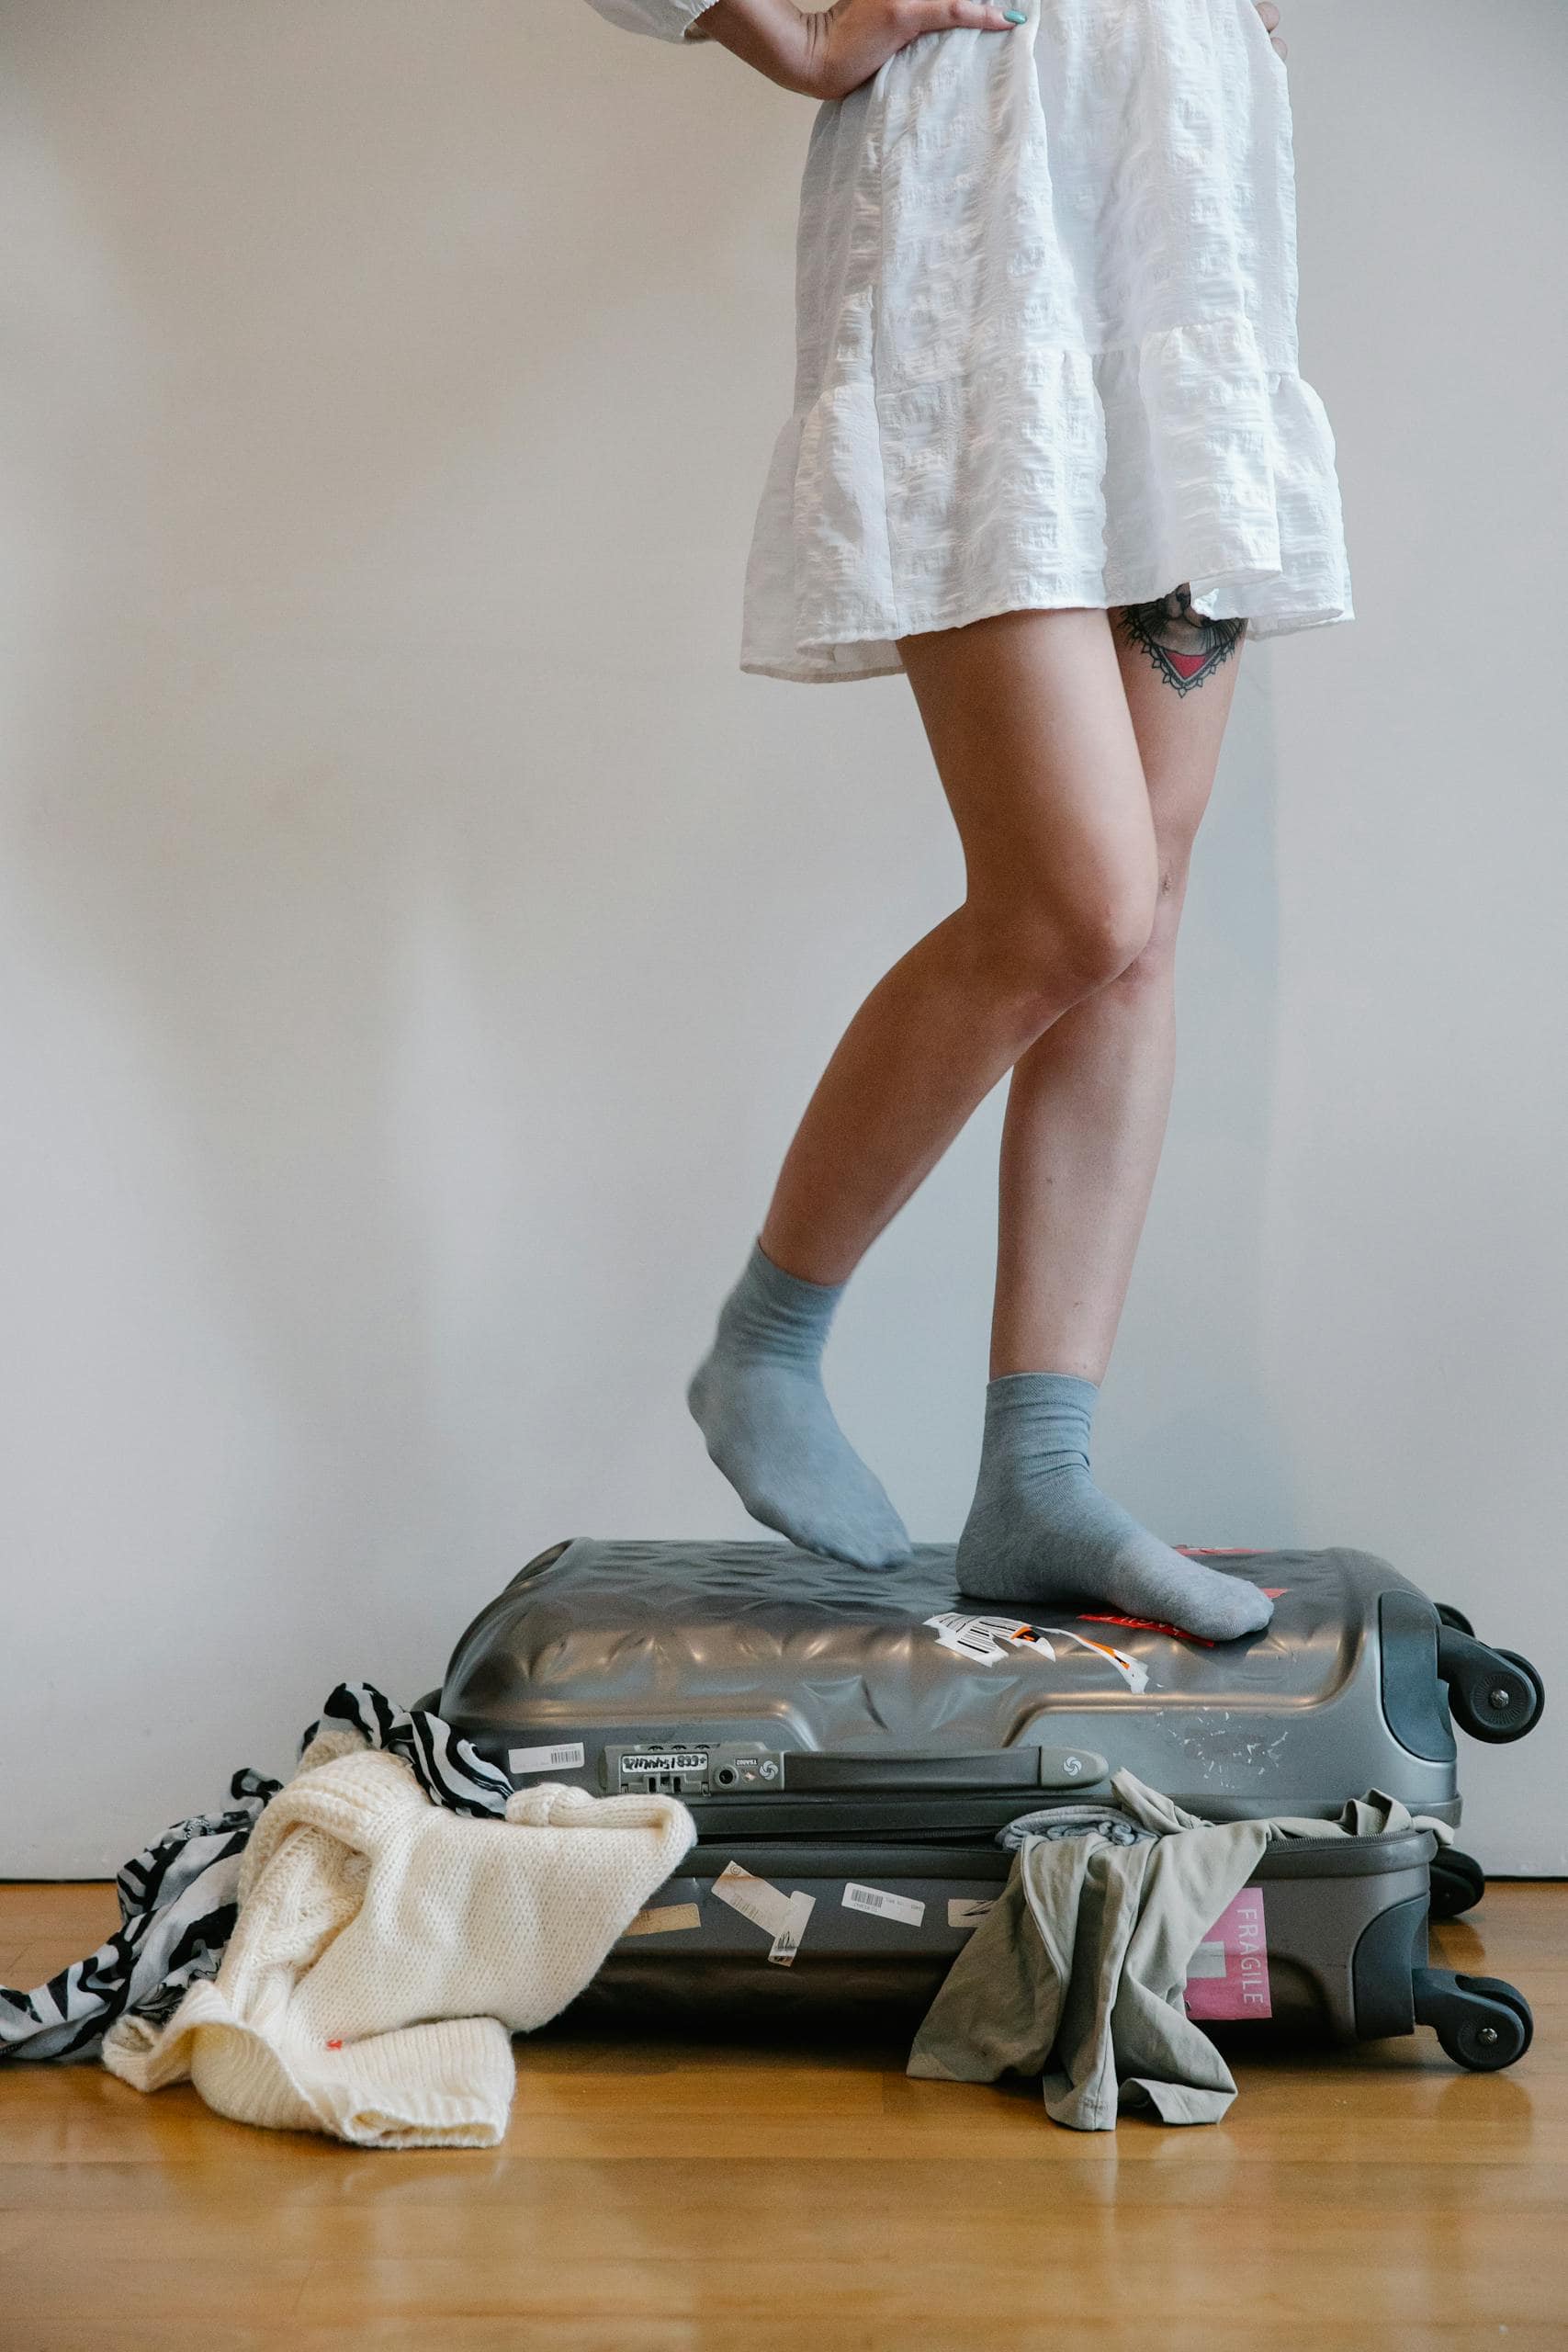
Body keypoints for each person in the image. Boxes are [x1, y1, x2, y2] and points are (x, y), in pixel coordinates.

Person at [579, 0, 1352, 1641]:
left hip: (1190, 229)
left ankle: (1040, 1477)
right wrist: (770, 23)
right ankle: (769, 1343)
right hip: (978, 232)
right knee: (1074, 899)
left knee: (1139, 927)